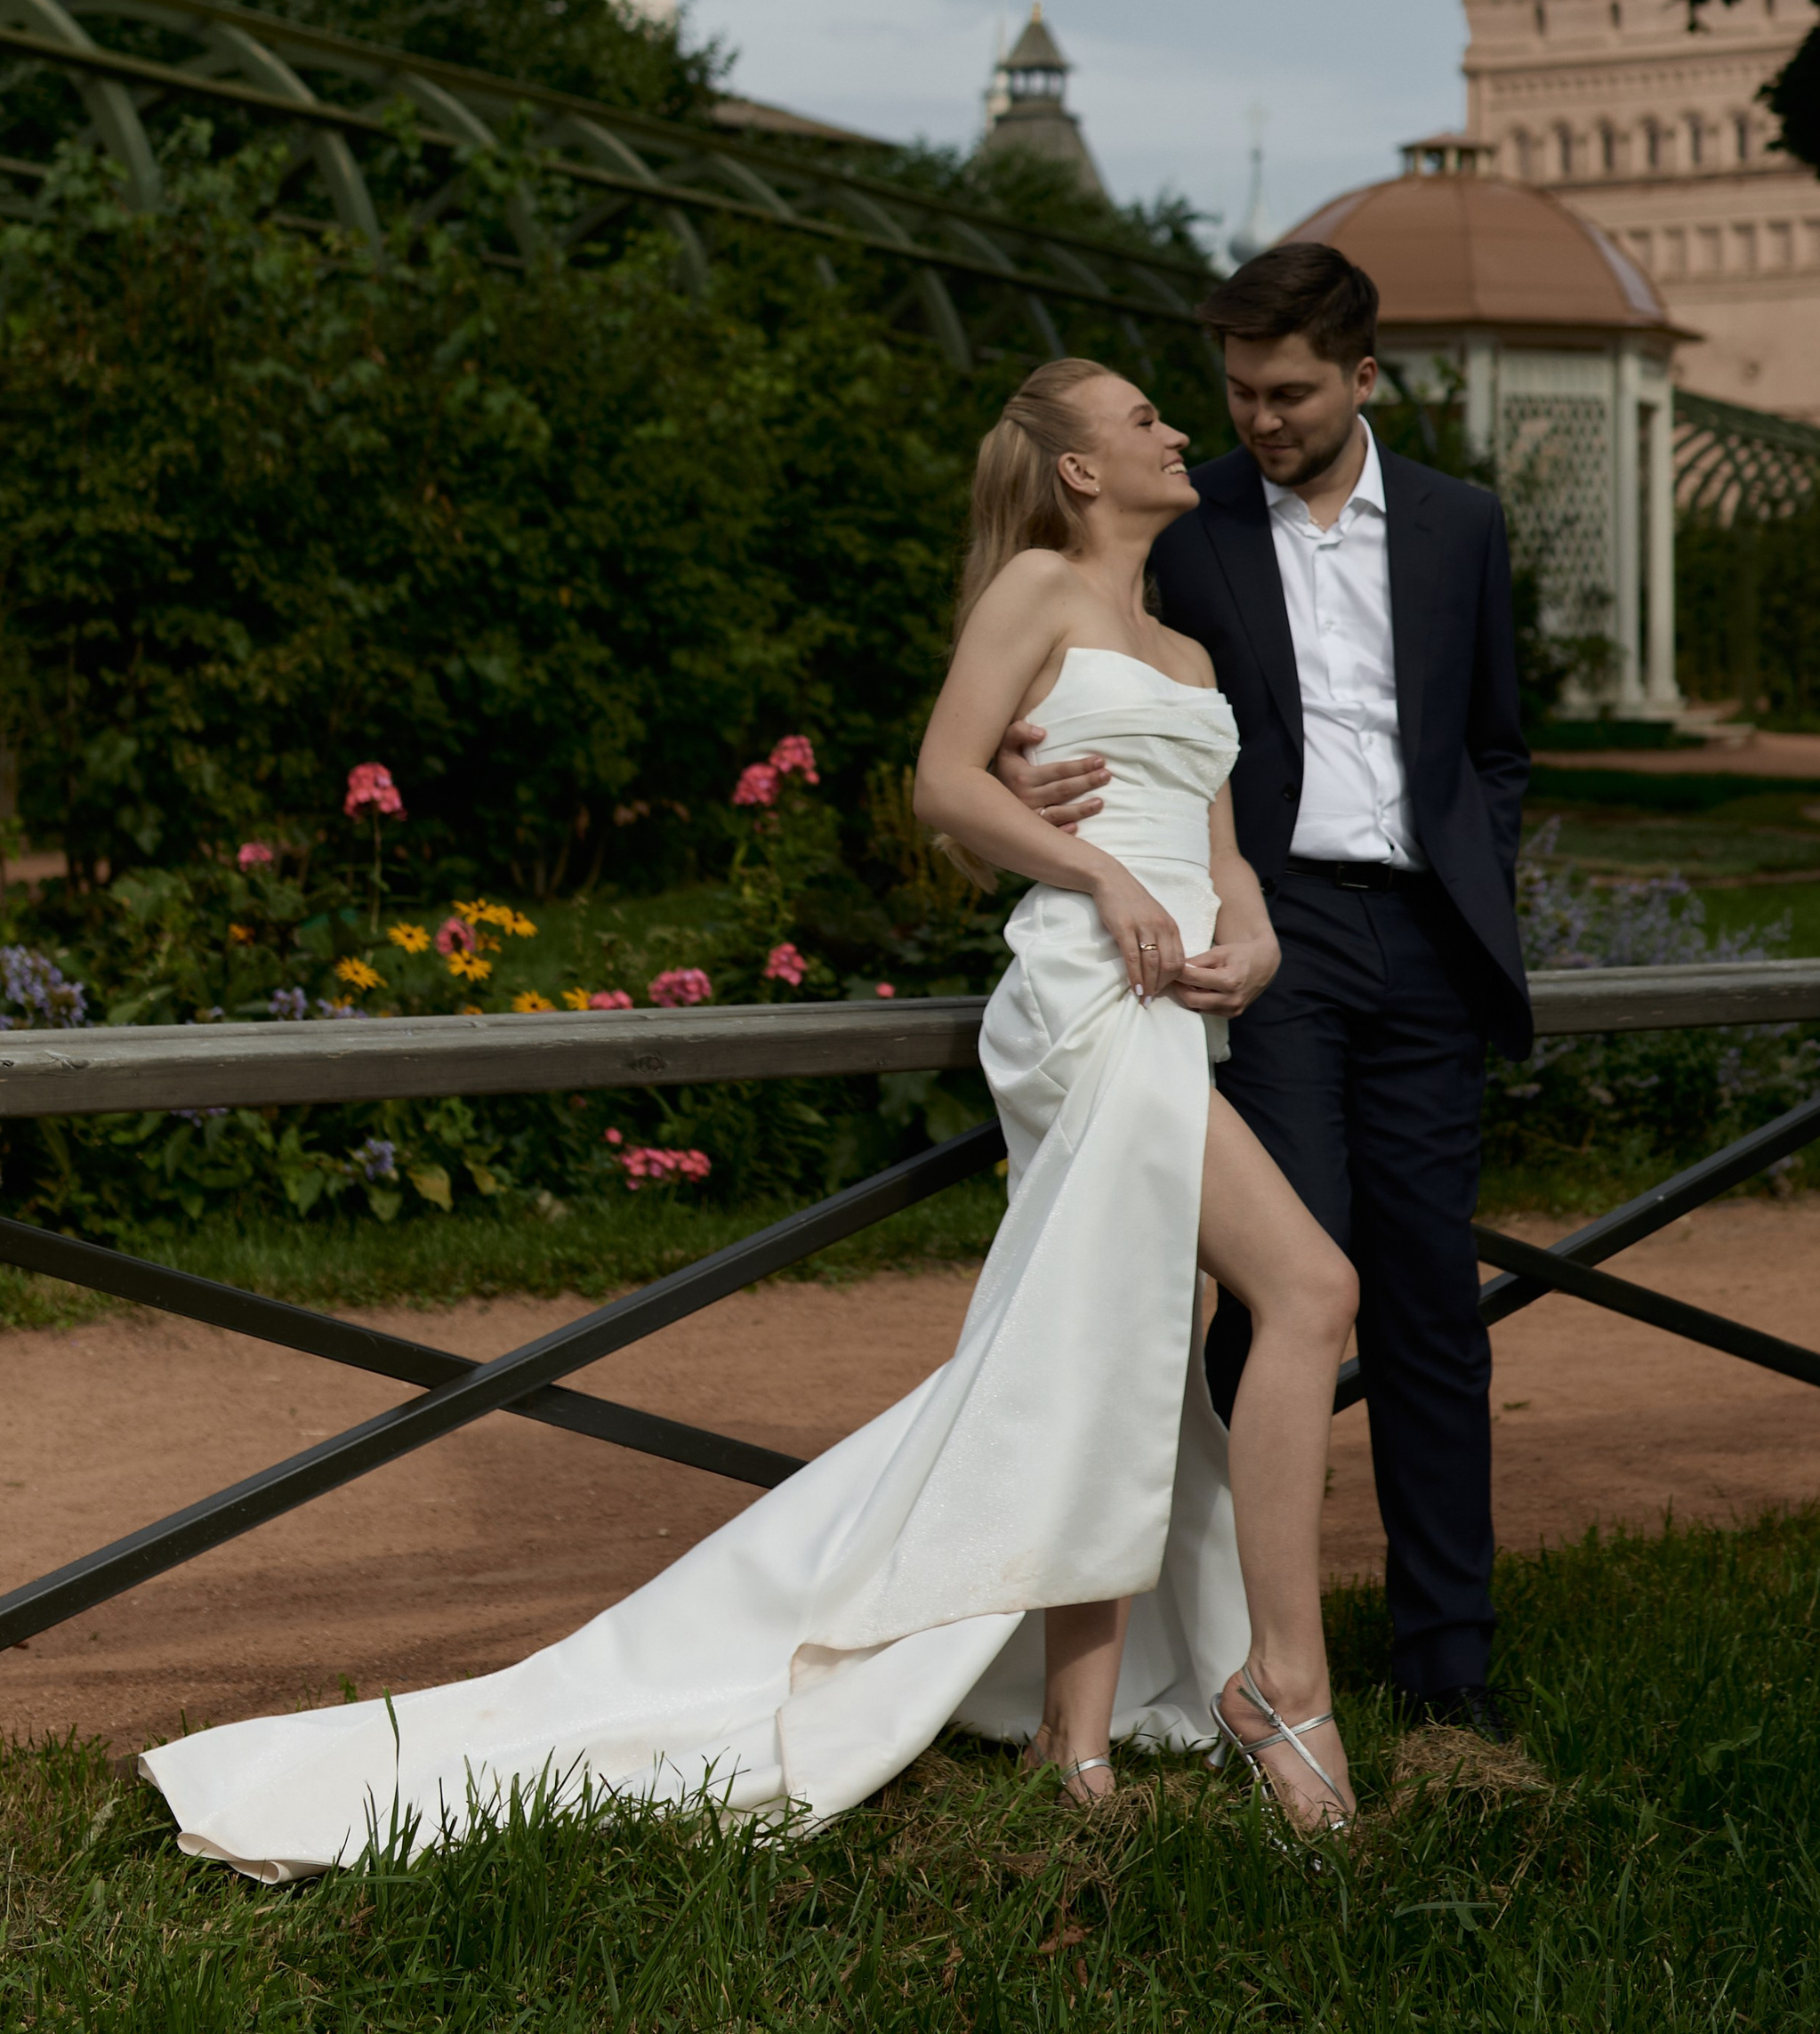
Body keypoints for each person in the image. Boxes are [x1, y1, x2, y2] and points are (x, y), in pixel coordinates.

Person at [140, 358, 1361, 1881]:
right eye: (1141, 419)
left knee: (1113, 1347)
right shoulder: (1041, 591)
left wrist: (1253, 933)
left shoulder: (1183, 642)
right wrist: (1101, 878)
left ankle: (1079, 1734)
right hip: (1089, 997)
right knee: (1310, 1287)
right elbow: (940, 781)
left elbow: (1223, 849)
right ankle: (1281, 1687)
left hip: (1189, 1012)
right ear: (1077, 472)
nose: (1176, 429)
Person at [995, 245, 1532, 1732]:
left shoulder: (1460, 525)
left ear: (1366, 376)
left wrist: (1475, 863)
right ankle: (1220, 1639)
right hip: (1261, 941)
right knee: (1280, 1284)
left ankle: (1449, 1666)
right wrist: (1026, 763)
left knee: (1433, 1302)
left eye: (1288, 392)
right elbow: (1065, 652)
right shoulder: (1187, 514)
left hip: (1427, 942)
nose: (1256, 419)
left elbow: (1495, 740)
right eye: (1234, 390)